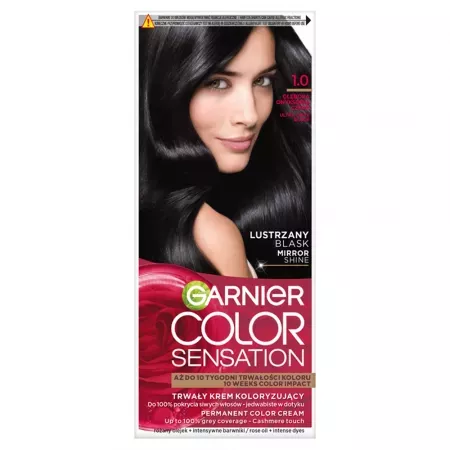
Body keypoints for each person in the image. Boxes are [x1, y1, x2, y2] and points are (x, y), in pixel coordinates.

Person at [139, 25, 311, 278]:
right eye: (217, 83)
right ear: (162, 85)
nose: (250, 116)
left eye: (262, 81)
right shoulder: (210, 236)